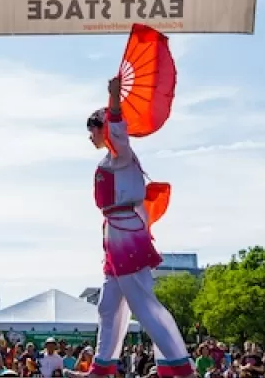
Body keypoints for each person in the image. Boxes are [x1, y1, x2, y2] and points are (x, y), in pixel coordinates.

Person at [82, 76, 194, 378]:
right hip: (115, 234)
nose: (90, 137)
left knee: (142, 302)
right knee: (108, 305)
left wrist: (114, 97)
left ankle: (178, 365)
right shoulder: (111, 160)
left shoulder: (121, 154)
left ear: (103, 129)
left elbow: (118, 128)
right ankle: (102, 365)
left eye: (92, 130)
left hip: (125, 234)